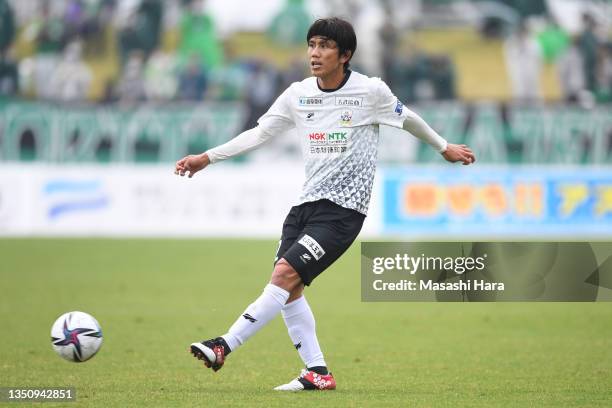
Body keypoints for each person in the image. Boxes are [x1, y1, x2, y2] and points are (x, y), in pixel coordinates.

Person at [174, 17, 475, 391]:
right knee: (288, 289)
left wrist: (443, 147)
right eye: (312, 44)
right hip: (304, 206)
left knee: (283, 276)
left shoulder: (370, 92)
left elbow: (408, 119)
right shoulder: (298, 94)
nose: (315, 53)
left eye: (325, 46)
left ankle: (223, 345)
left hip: (344, 211)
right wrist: (208, 157)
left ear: (344, 55)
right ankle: (316, 371)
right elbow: (260, 132)